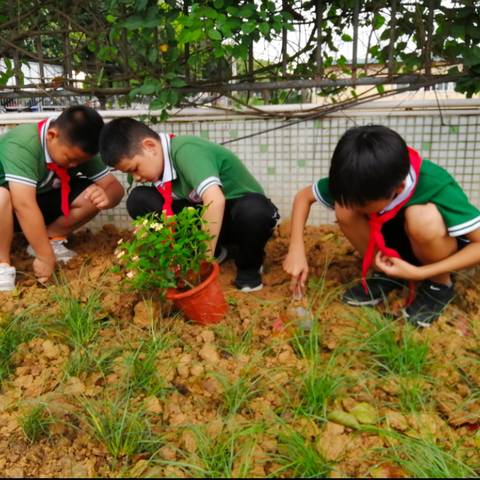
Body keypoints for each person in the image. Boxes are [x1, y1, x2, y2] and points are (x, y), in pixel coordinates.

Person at [283, 125, 480, 328]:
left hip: (435, 250)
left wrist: (420, 273)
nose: (357, 208)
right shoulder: (361, 178)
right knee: (344, 208)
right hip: (394, 244)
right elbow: (303, 197)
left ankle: (439, 284)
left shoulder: (434, 185)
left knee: (422, 218)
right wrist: (296, 249)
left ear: (399, 188)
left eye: (363, 205)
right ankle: (386, 274)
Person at [99, 117, 280, 292]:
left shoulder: (186, 149)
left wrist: (202, 264)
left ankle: (249, 268)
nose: (136, 177)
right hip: (208, 220)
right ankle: (215, 251)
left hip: (239, 218)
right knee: (140, 199)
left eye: (135, 169)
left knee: (255, 210)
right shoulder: (157, 168)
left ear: (150, 146)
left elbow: (215, 200)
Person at [0, 106, 125, 291]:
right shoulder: (24, 142)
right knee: (1, 196)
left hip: (32, 205)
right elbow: (23, 204)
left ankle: (48, 240)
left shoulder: (79, 149)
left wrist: (107, 196)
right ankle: (3, 263)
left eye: (80, 162)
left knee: (92, 193)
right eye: (70, 159)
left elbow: (115, 188)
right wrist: (45, 257)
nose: (74, 165)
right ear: (51, 135)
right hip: (9, 208)